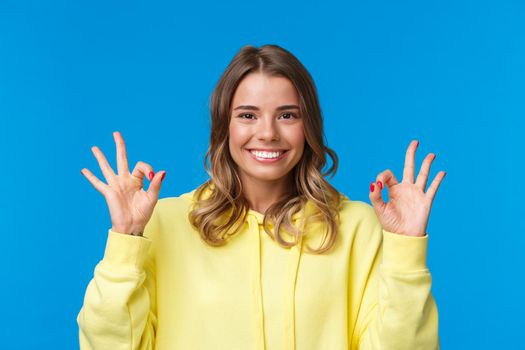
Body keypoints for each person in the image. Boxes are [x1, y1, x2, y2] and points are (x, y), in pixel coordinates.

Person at [77, 44, 445, 350]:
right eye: (248, 115)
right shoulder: (163, 223)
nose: (267, 133)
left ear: (308, 126)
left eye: (287, 115)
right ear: (224, 126)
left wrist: (406, 249)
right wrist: (125, 238)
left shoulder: (357, 226)